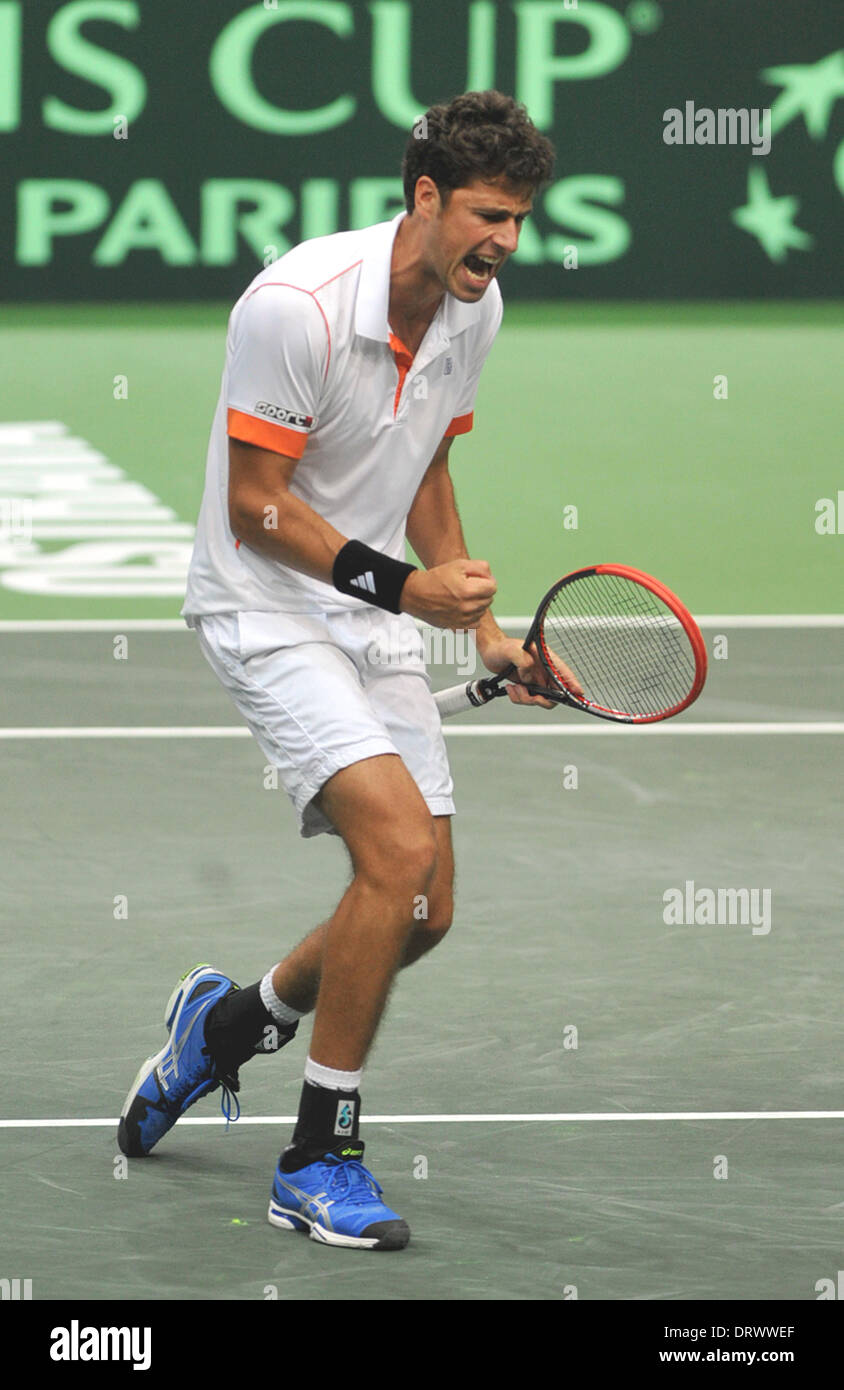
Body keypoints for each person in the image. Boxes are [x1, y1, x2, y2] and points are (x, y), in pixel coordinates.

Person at [117, 89, 580, 1251]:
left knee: (423, 907)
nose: (505, 241)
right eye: (487, 214)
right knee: (398, 849)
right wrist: (403, 591)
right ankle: (317, 1156)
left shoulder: (476, 308)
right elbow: (255, 505)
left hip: (370, 609)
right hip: (264, 603)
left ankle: (225, 1028)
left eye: (520, 218)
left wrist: (475, 620)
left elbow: (421, 463)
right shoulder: (294, 308)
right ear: (423, 197)